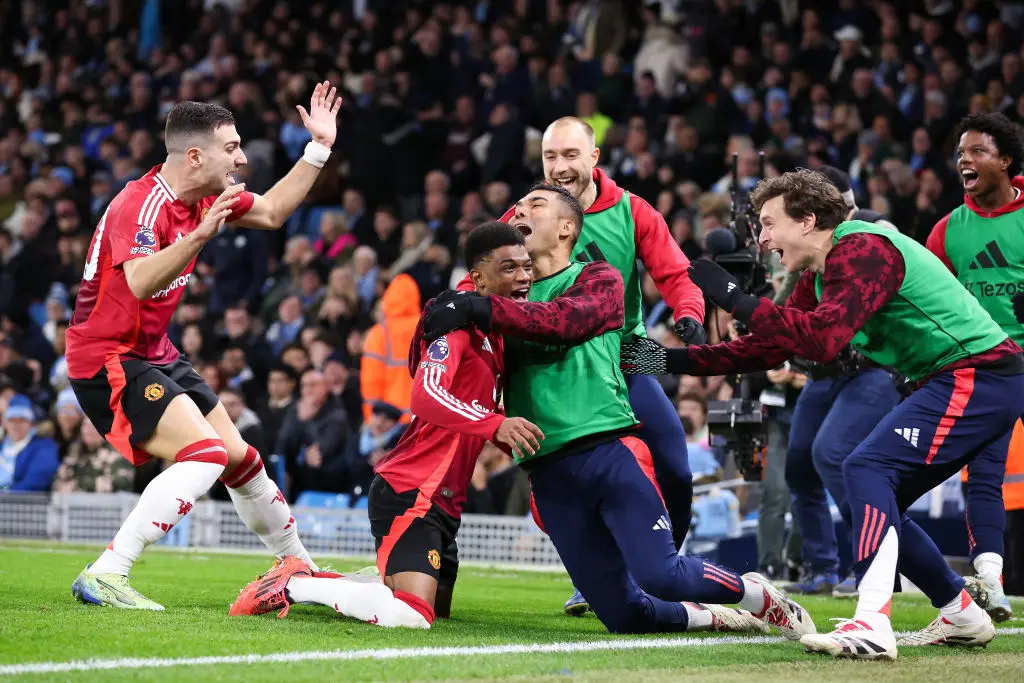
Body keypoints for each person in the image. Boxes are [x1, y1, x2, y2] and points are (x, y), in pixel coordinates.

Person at [621, 169, 1024, 659]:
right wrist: (659, 360)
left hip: (979, 374)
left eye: (769, 224)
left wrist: (732, 297)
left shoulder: (862, 248)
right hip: (964, 377)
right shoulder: (819, 273)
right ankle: (961, 613)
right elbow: (765, 349)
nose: (763, 239)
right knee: (879, 495)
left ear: (808, 220)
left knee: (864, 467)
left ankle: (872, 623)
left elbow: (823, 340)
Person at [423, 184, 812, 638]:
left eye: (536, 205)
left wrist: (476, 304)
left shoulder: (599, 279)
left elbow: (563, 323)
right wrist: (446, 307)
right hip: (547, 475)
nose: (520, 210)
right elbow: (452, 329)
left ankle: (758, 596)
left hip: (607, 454)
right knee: (625, 616)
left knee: (661, 576)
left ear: (568, 227)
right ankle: (716, 615)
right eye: (520, 205)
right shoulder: (504, 297)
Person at [66, 82, 342, 610]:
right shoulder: (140, 204)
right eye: (232, 147)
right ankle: (107, 572)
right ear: (196, 156)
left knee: (242, 460)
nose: (241, 157)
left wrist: (318, 149)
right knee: (206, 453)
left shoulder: (208, 198)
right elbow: (141, 281)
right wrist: (196, 239)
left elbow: (273, 212)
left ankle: (297, 565)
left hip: (155, 352)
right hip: (107, 357)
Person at [227, 222, 544, 628]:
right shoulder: (458, 324)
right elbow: (425, 395)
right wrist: (492, 425)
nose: (524, 277)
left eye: (527, 266)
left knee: (430, 610)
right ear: (479, 279)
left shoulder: (494, 331)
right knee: (412, 616)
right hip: (412, 489)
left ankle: (341, 580)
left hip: (444, 499)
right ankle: (291, 584)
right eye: (509, 268)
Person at [500, 117, 708, 613]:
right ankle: (599, 576)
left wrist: (689, 314)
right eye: (551, 157)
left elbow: (677, 274)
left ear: (594, 158)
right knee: (559, 483)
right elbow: (486, 275)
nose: (560, 166)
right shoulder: (524, 214)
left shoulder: (633, 210)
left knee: (675, 467)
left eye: (570, 155)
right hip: (554, 365)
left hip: (624, 357)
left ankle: (662, 567)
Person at [779, 167, 901, 597]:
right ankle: (822, 568)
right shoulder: (809, 247)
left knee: (834, 454)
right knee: (799, 465)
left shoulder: (872, 229)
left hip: (872, 369)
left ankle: (874, 561)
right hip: (825, 372)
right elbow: (793, 299)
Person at [926, 112, 1024, 623]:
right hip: (988, 370)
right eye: (961, 153)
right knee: (983, 479)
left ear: (1006, 161)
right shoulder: (946, 232)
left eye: (978, 151)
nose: (965, 159)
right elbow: (929, 305)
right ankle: (991, 581)